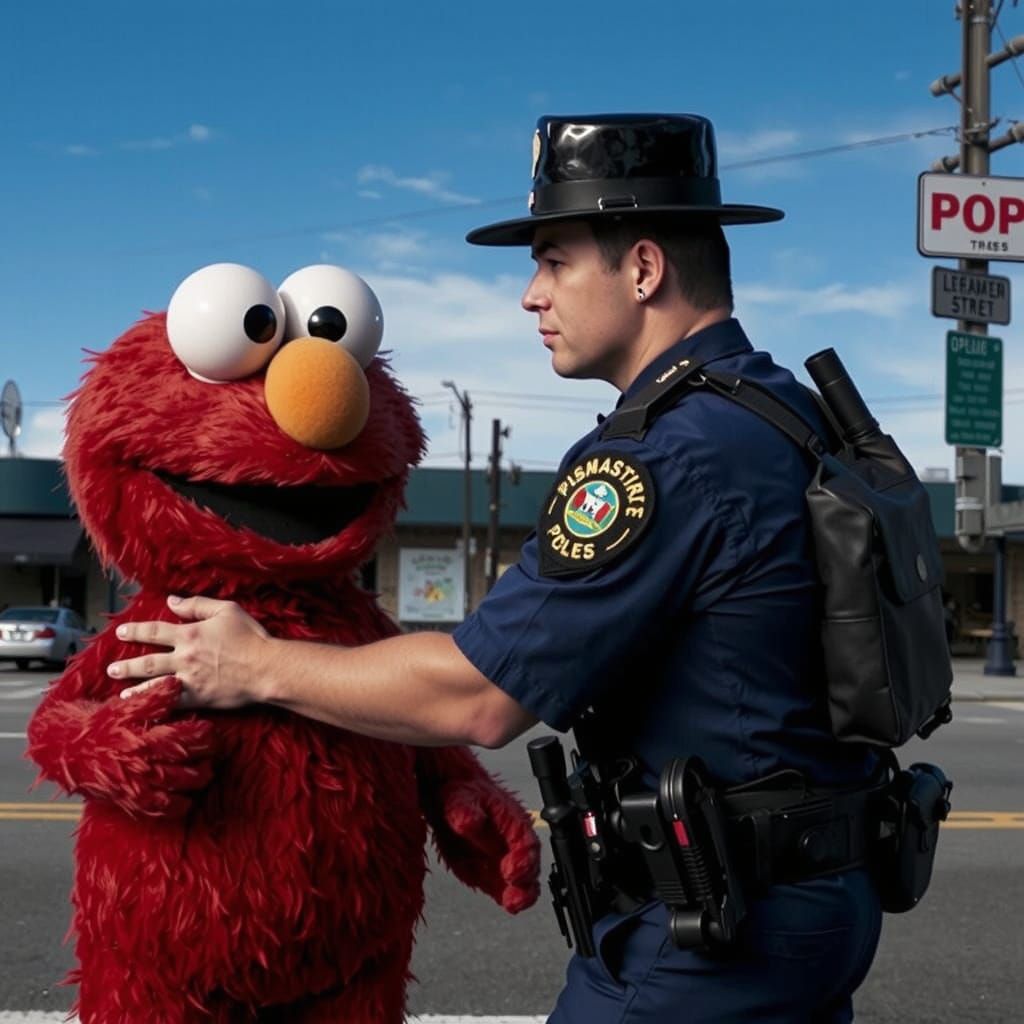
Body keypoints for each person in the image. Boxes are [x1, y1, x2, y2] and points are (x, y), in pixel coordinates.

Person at [111, 114, 882, 1022]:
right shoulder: (785, 411)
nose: (530, 295)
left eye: (554, 260)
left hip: (710, 941)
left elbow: (477, 698)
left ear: (642, 268)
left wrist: (252, 665)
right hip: (818, 898)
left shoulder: (662, 459)